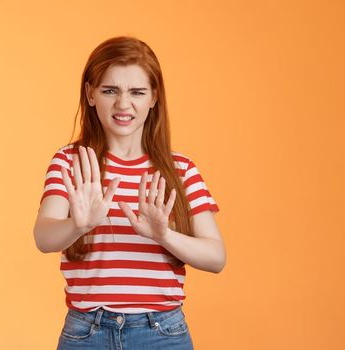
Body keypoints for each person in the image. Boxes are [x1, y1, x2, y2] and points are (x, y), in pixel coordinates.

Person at [33, 36, 225, 350]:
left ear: (154, 98)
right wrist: (78, 225)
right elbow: (43, 237)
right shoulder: (71, 162)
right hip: (86, 333)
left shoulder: (181, 169)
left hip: (162, 334)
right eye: (110, 90)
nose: (124, 104)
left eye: (137, 92)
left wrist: (164, 235)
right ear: (91, 94)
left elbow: (216, 258)